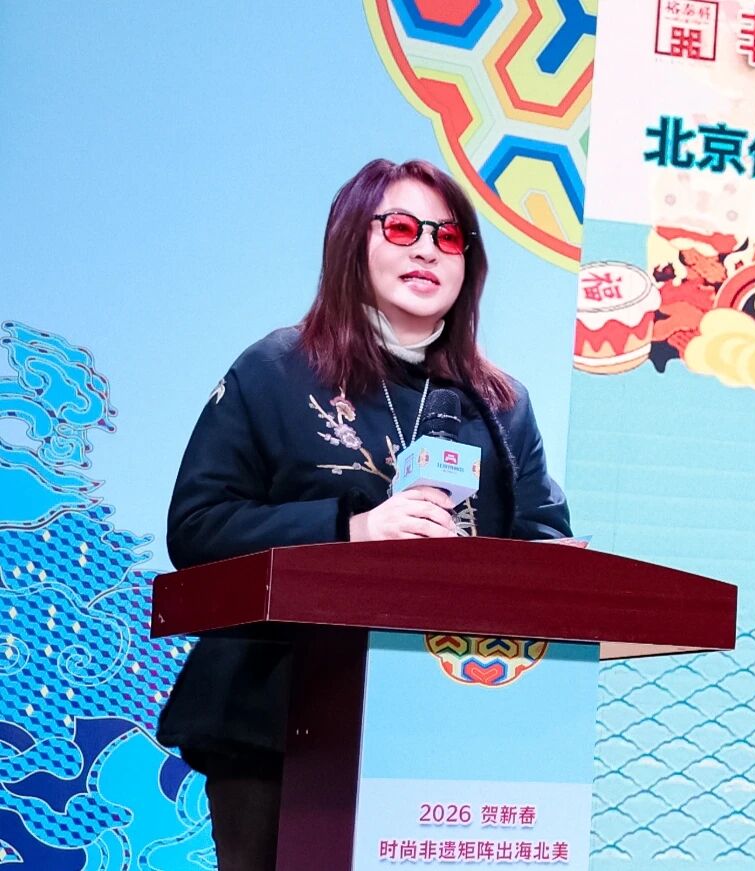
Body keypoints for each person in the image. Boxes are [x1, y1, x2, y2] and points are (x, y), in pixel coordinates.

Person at [156, 158, 571, 871]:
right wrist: (352, 530)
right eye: (403, 228)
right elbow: (197, 526)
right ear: (353, 242)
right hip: (277, 717)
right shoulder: (277, 368)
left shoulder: (501, 403)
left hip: (444, 726)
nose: (427, 250)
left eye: (448, 237)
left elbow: (545, 550)